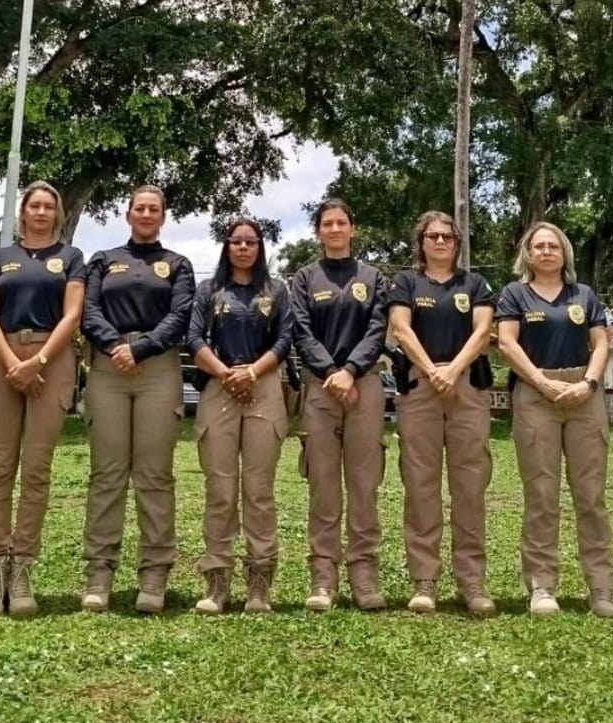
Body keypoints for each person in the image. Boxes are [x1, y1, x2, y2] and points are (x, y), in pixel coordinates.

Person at [81, 185, 195, 613]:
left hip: (158, 370)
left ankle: (154, 573)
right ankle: (99, 572)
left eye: (154, 209)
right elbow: (88, 310)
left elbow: (181, 315)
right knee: (107, 474)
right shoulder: (103, 260)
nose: (146, 214)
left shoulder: (178, 265)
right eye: (139, 208)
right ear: (127, 213)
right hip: (109, 370)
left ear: (163, 216)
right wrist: (115, 346)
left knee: (154, 475)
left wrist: (142, 348)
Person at [0, 180, 85, 618]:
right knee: (1, 468)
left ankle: (22, 568)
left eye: (48, 206)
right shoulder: (0, 258)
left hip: (51, 359)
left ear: (57, 214)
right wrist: (11, 363)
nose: (40, 212)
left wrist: (37, 361)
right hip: (2, 357)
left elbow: (73, 314)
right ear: (22, 213)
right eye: (33, 205)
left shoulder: (71, 258)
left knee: (36, 469)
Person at [496, 222, 613, 618]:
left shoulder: (583, 295)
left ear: (564, 253)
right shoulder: (516, 294)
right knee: (541, 498)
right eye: (539, 246)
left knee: (590, 497)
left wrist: (589, 382)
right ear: (528, 254)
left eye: (554, 246)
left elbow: (601, 343)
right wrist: (541, 382)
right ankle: (542, 585)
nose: (547, 252)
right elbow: (507, 343)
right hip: (535, 394)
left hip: (584, 394)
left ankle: (601, 588)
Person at [388, 211, 496, 616]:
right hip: (421, 387)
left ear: (457, 242)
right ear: (421, 242)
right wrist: (433, 370)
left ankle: (472, 582)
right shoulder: (406, 283)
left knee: (469, 487)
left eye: (447, 236)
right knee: (420, 486)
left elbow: (483, 331)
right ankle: (425, 580)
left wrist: (452, 370)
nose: (439, 242)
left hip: (466, 387)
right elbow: (401, 329)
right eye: (432, 236)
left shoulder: (475, 284)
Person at [185, 218, 294, 614]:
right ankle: (217, 582)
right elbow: (193, 337)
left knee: (259, 489)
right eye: (236, 241)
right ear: (227, 246)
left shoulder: (275, 290)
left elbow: (285, 338)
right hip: (219, 383)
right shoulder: (209, 290)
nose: (243, 247)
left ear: (260, 247)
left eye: (251, 241)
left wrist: (252, 372)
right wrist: (225, 372)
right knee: (220, 489)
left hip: (263, 385)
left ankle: (260, 584)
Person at [291, 198, 387, 611]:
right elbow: (300, 329)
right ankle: (323, 579)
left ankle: (364, 578)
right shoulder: (304, 277)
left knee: (364, 487)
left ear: (353, 228)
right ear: (318, 232)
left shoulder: (374, 277)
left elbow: (378, 327)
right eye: (326, 223)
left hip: (364, 386)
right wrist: (332, 372)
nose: (334, 229)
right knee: (324, 486)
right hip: (320, 389)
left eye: (341, 222)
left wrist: (351, 370)